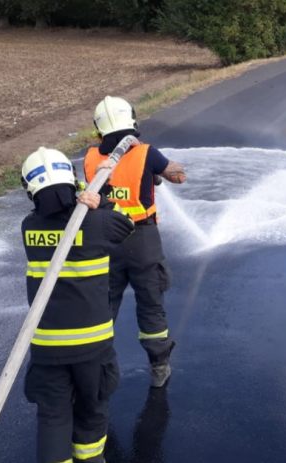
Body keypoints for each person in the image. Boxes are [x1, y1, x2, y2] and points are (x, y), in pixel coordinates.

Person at [21, 147, 134, 463]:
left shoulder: (28, 228)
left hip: (46, 347)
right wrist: (97, 198)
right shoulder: (97, 223)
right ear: (71, 182)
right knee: (92, 408)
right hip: (91, 345)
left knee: (53, 417)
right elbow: (126, 224)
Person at [83, 96, 187, 388]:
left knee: (104, 306)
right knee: (151, 304)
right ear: (131, 120)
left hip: (106, 241)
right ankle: (159, 367)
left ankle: (93, 370)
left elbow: (103, 188)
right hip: (142, 240)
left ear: (99, 127)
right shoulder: (146, 154)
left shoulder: (91, 158)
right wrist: (163, 171)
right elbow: (179, 177)